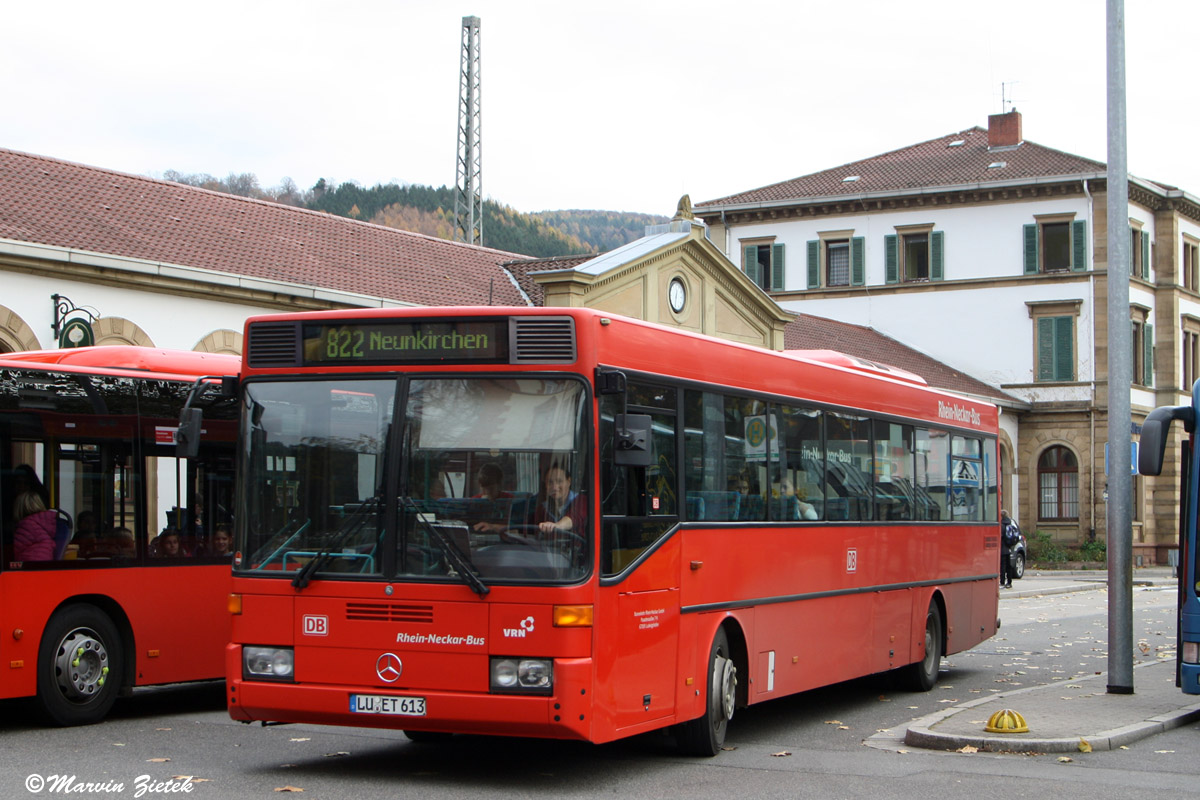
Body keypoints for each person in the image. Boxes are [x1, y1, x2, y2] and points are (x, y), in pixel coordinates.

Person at [534, 464, 586, 535]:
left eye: (559, 481)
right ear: (545, 485)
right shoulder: (542, 509)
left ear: (568, 482)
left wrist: (557, 525)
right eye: (550, 482)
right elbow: (533, 531)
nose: (554, 487)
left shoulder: (581, 500)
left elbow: (574, 517)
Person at [14, 490, 57, 561]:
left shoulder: (27, 525)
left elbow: (14, 549)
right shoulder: (42, 523)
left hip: (30, 566)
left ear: (19, 508)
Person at [1000, 510, 1018, 588]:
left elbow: (1000, 536)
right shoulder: (1011, 523)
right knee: (1009, 565)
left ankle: (1002, 581)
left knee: (1003, 565)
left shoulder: (1001, 525)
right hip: (1009, 547)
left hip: (1003, 547)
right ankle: (1009, 582)